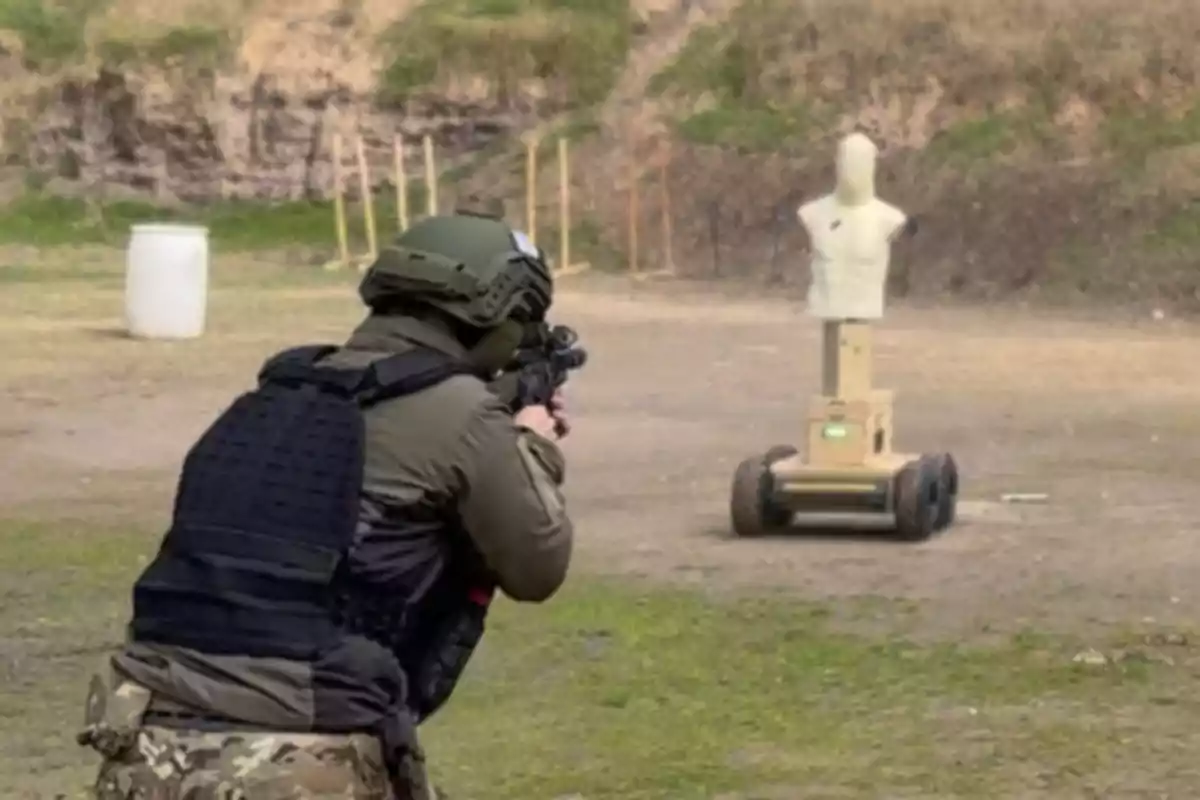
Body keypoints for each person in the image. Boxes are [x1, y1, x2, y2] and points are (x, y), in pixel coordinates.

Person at [77, 213, 575, 799]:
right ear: (497, 313)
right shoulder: (463, 413)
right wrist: (533, 448)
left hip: (146, 736)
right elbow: (538, 565)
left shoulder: (278, 394)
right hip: (291, 750)